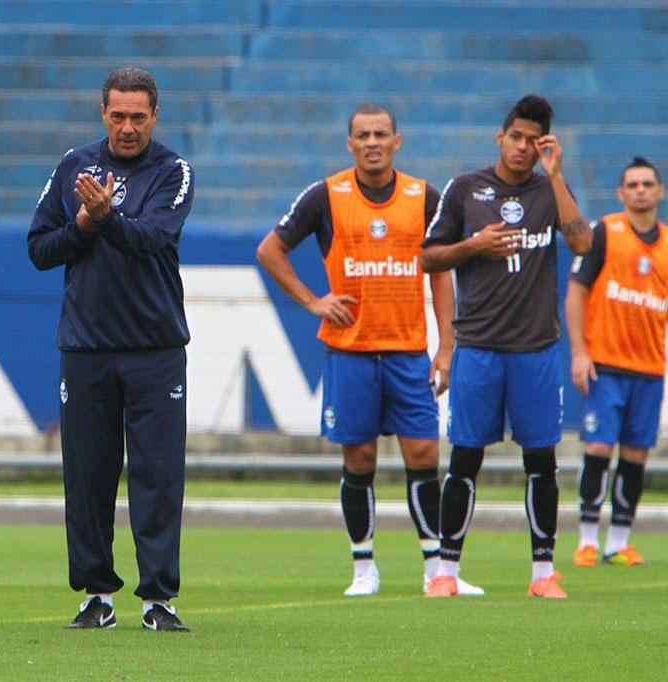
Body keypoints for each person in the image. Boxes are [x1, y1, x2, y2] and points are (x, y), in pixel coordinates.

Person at [256, 104, 482, 597]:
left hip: (407, 351)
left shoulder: (424, 196)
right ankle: (364, 568)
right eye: (363, 134)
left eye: (381, 133)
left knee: (423, 452)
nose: (373, 141)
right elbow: (269, 250)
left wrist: (447, 347)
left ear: (397, 141)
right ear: (350, 143)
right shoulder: (326, 195)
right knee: (358, 458)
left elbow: (441, 271)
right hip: (350, 351)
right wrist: (312, 301)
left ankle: (435, 571)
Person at [28, 67, 194, 632]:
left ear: (155, 116)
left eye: (138, 117)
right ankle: (97, 594)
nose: (127, 127)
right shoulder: (74, 165)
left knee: (158, 475)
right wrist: (82, 224)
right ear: (103, 113)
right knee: (88, 476)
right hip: (86, 347)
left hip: (156, 347)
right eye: (118, 116)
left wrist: (105, 218)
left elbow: (153, 239)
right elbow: (40, 248)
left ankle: (158, 599)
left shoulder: (173, 170)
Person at [421, 94, 592, 598]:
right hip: (478, 347)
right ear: (501, 137)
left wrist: (556, 175)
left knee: (541, 460)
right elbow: (429, 258)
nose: (522, 148)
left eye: (533, 141)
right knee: (465, 459)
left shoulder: (549, 191)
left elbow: (582, 244)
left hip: (537, 349)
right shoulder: (465, 189)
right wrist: (473, 246)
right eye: (515, 137)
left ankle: (543, 574)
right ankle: (446, 571)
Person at [566, 157, 667, 568]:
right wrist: (579, 352)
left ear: (659, 192)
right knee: (598, 448)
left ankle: (619, 541)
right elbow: (575, 293)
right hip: (604, 364)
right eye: (633, 185)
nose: (640, 190)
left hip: (649, 368)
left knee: (637, 454)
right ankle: (588, 539)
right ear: (620, 193)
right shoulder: (605, 231)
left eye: (648, 184)